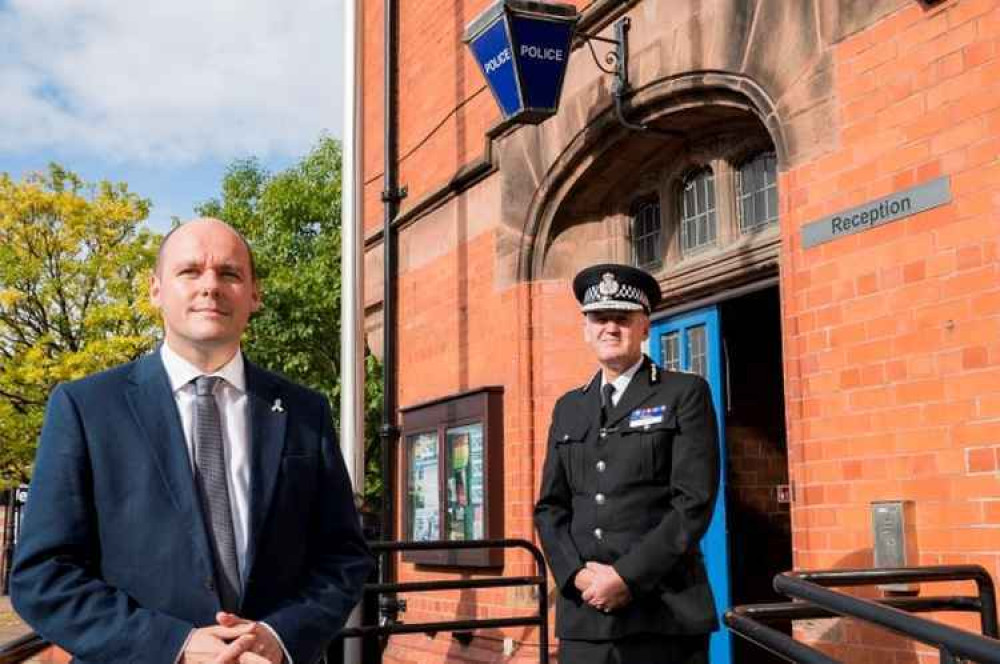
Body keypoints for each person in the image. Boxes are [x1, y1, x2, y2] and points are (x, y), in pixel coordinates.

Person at [11, 218, 373, 664]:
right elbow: (43, 575)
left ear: (254, 294)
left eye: (229, 273)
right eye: (190, 272)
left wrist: (279, 636)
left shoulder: (305, 412)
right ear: (155, 289)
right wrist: (173, 645)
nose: (211, 286)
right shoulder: (86, 408)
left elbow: (343, 557)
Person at [533, 263, 720, 664]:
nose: (610, 327)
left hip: (663, 615)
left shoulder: (684, 393)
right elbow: (551, 508)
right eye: (600, 318)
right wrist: (576, 576)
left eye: (623, 318)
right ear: (586, 328)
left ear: (645, 326)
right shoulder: (569, 407)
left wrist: (626, 578)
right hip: (584, 617)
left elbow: (693, 502)